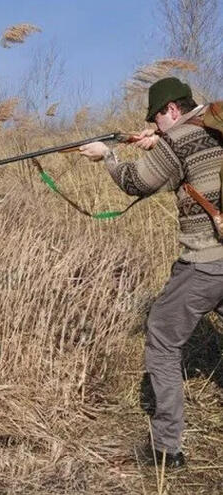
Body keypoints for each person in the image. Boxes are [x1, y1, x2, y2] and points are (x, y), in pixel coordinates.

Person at [80, 77, 223, 469]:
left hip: (207, 261)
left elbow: (135, 182)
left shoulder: (178, 140)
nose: (156, 125)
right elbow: (196, 165)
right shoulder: (213, 126)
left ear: (171, 110)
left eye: (158, 118)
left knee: (161, 338)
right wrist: (158, 143)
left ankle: (166, 450)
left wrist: (106, 156)